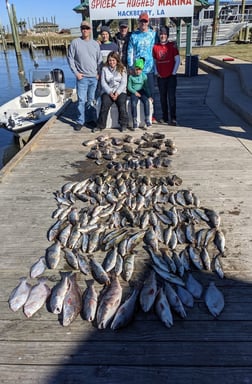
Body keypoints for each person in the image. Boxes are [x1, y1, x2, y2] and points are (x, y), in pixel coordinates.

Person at [68, 20, 102, 131]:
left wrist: (98, 73)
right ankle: (80, 121)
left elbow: (99, 60)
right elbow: (70, 59)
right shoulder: (75, 42)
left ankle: (90, 119)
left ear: (90, 30)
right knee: (81, 100)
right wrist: (76, 73)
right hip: (82, 78)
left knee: (91, 100)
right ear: (81, 29)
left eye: (87, 28)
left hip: (93, 77)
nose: (85, 30)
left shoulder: (95, 44)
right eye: (83, 28)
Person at [127, 12, 158, 124]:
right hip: (137, 70)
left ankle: (152, 116)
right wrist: (130, 66)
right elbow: (130, 51)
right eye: (141, 21)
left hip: (149, 69)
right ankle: (136, 117)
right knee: (136, 91)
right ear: (138, 22)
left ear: (148, 22)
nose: (143, 23)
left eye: (145, 21)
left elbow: (157, 50)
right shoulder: (134, 35)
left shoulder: (153, 34)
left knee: (150, 92)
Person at [152, 26, 180, 126]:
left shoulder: (172, 46)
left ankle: (173, 118)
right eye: (161, 34)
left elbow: (177, 60)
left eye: (164, 34)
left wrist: (173, 73)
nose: (162, 36)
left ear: (167, 35)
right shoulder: (155, 47)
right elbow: (155, 61)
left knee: (171, 97)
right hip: (161, 77)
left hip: (171, 76)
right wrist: (156, 72)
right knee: (162, 98)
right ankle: (165, 117)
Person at [95, 51, 128, 132]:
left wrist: (117, 93)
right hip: (108, 90)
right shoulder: (104, 69)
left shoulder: (122, 68)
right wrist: (110, 92)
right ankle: (100, 125)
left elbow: (124, 82)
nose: (111, 62)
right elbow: (103, 83)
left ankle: (123, 124)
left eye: (113, 60)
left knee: (121, 104)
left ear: (117, 60)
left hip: (120, 91)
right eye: (110, 60)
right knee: (105, 104)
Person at [127, 58, 152, 130]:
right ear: (134, 69)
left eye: (139, 69)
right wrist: (135, 92)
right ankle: (135, 121)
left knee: (146, 102)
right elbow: (129, 87)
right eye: (136, 69)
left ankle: (147, 119)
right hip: (134, 91)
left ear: (142, 69)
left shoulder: (144, 76)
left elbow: (146, 87)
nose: (138, 71)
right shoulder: (131, 76)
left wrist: (149, 95)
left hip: (142, 91)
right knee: (134, 103)